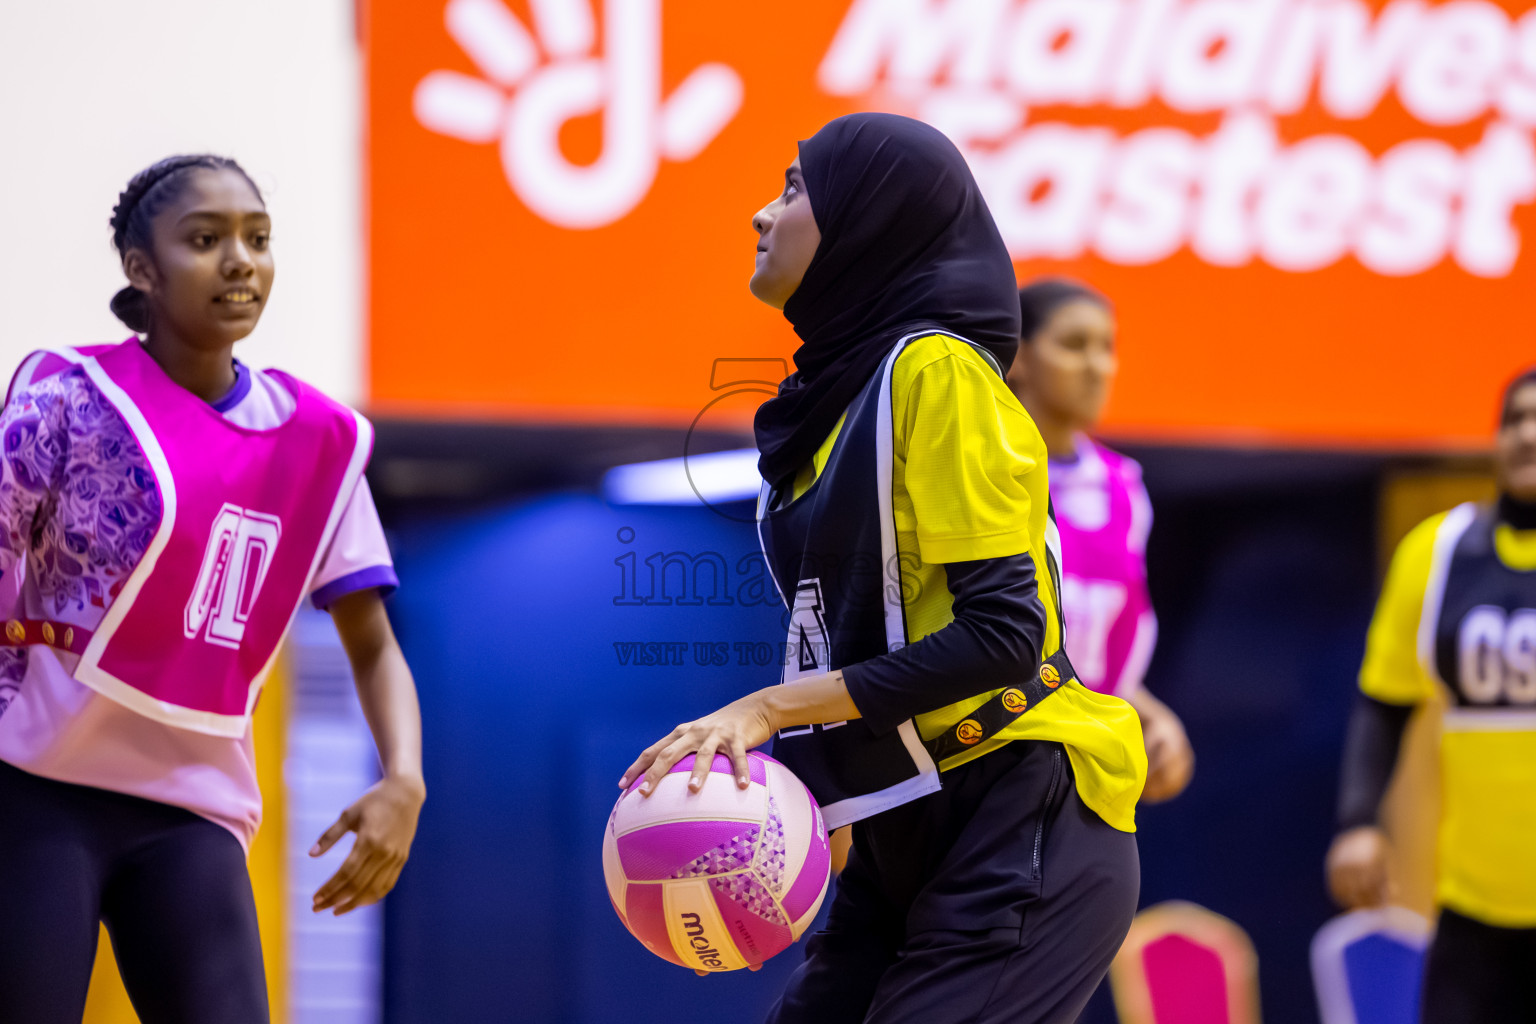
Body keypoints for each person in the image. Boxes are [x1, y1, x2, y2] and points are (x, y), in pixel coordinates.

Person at [620, 113, 1145, 1023]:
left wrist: (765, 709)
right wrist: (793, 835)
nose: (760, 213)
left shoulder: (936, 372)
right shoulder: (831, 406)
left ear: (870, 221)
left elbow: (1005, 636)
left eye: (791, 188)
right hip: (913, 820)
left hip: (1021, 805)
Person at [0, 155, 425, 1024]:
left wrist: (404, 779)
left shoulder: (320, 440)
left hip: (191, 811)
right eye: (206, 240)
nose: (241, 261)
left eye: (258, 240)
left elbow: (373, 643)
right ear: (141, 269)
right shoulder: (63, 399)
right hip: (32, 787)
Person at [1326, 367, 1536, 1022]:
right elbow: (1384, 701)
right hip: (1473, 908)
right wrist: (1359, 821)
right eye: (1516, 420)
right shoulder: (1438, 551)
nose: (1529, 435)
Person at [1006, 279, 1193, 803]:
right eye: (1073, 344)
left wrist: (1156, 721)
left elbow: (1098, 662)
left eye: (1106, 348)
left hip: (1085, 784)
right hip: (989, 770)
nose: (1097, 367)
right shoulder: (984, 475)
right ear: (1018, 356)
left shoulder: (1127, 490)